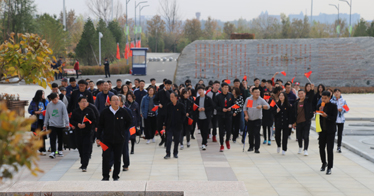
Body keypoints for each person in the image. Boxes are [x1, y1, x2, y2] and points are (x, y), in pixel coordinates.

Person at [97, 95, 132, 181]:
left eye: (118, 100)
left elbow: (129, 121)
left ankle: (116, 175)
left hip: (119, 139)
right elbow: (100, 125)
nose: (116, 102)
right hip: (106, 139)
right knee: (106, 158)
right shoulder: (105, 112)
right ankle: (105, 176)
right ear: (110, 102)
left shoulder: (123, 111)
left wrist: (122, 130)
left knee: (117, 158)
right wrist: (98, 138)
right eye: (114, 100)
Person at [70, 97, 96, 172]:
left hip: (88, 133)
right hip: (78, 133)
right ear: (79, 103)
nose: (84, 103)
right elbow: (72, 120)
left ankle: (85, 165)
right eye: (82, 101)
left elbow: (93, 121)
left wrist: (86, 125)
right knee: (80, 148)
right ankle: (82, 162)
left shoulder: (90, 111)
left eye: (85, 101)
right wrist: (77, 124)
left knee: (86, 149)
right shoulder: (75, 111)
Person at [243, 87, 270, 153]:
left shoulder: (261, 100)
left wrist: (262, 106)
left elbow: (268, 106)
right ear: (252, 93)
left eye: (258, 92)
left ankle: (257, 148)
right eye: (256, 92)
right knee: (251, 133)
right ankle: (251, 146)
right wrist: (246, 115)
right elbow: (245, 108)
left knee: (257, 133)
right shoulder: (249, 99)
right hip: (250, 119)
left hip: (258, 119)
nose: (257, 93)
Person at [43, 93, 69, 159]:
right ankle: (53, 151)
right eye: (53, 100)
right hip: (52, 124)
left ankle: (60, 150)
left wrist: (67, 123)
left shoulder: (62, 104)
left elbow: (65, 114)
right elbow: (47, 116)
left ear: (57, 98)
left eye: (55, 99)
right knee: (52, 138)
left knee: (60, 138)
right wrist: (45, 124)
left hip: (61, 124)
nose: (54, 101)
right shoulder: (49, 105)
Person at [318, 91, 338, 175]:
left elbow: (334, 118)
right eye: (322, 98)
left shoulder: (333, 106)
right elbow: (317, 117)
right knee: (321, 148)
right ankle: (323, 163)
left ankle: (329, 167)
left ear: (329, 98)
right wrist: (318, 112)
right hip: (322, 130)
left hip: (330, 131)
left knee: (329, 149)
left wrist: (327, 116)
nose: (323, 100)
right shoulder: (320, 106)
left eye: (325, 98)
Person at [164, 92, 186, 159]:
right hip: (169, 126)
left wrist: (181, 122)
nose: (171, 98)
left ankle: (175, 153)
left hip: (178, 126)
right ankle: (168, 153)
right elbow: (166, 116)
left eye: (172, 97)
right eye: (170, 97)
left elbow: (183, 115)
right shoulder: (168, 105)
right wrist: (164, 124)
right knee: (169, 140)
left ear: (176, 97)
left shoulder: (181, 105)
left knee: (177, 140)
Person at [214, 82, 235, 152]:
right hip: (221, 115)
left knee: (229, 130)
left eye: (227, 87)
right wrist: (221, 109)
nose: (226, 89)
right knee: (221, 130)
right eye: (225, 87)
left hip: (228, 115)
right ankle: (222, 144)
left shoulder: (231, 95)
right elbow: (215, 106)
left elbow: (234, 104)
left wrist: (230, 109)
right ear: (222, 88)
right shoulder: (218, 96)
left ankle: (227, 140)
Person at [293, 90, 314, 156]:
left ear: (304, 94)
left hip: (306, 121)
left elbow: (311, 96)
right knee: (299, 136)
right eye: (299, 94)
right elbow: (294, 113)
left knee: (306, 136)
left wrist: (312, 89)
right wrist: (294, 122)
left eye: (302, 93)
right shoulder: (296, 103)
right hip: (298, 122)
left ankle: (305, 149)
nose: (301, 95)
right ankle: (300, 147)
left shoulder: (307, 101)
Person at [28, 90, 49, 155]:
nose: (43, 95)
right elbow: (29, 110)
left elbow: (49, 109)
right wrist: (35, 112)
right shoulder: (33, 102)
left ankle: (43, 149)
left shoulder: (45, 101)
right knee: (35, 135)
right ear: (39, 95)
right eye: (42, 94)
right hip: (36, 121)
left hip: (43, 120)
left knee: (42, 135)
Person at [153, 79, 172, 146]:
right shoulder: (160, 92)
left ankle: (167, 140)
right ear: (164, 85)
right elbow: (155, 100)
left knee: (167, 127)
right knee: (159, 126)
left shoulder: (171, 92)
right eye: (167, 85)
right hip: (161, 112)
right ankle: (162, 139)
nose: (168, 86)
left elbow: (170, 98)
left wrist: (166, 91)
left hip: (168, 113)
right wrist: (159, 104)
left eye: (169, 85)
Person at [330, 89, 348, 153]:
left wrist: (342, 110)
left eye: (338, 92)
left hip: (341, 120)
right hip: (333, 120)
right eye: (335, 92)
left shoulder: (343, 101)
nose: (337, 93)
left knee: (339, 134)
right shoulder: (331, 101)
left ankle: (339, 146)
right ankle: (331, 146)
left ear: (340, 93)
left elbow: (347, 109)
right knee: (332, 133)